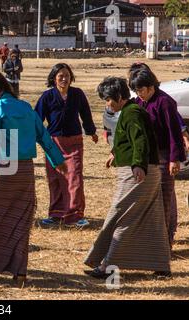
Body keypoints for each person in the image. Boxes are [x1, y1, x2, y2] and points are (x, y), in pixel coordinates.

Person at [0, 71, 66, 287]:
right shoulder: (26, 108)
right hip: (25, 171)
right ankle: (19, 273)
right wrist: (57, 160)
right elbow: (44, 136)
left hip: (2, 169)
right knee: (19, 220)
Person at [85, 77, 171, 279]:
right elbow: (129, 140)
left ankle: (107, 264)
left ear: (118, 96)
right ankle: (160, 265)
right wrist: (115, 153)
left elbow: (140, 140)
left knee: (120, 215)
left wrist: (138, 165)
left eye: (108, 99)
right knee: (152, 219)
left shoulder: (132, 113)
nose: (107, 104)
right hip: (142, 170)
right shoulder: (129, 111)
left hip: (138, 173)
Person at [129, 65, 186, 247]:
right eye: (136, 91)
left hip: (164, 156)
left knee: (164, 200)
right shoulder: (139, 102)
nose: (139, 94)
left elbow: (174, 133)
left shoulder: (165, 102)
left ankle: (164, 243)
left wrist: (174, 159)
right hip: (147, 158)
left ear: (151, 86)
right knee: (149, 200)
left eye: (141, 90)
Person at [35, 63, 98, 227]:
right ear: (54, 78)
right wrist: (34, 135)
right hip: (53, 143)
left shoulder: (77, 94)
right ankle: (56, 214)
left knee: (74, 177)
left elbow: (85, 114)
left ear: (71, 78)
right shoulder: (47, 96)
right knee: (55, 178)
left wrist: (91, 131)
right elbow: (37, 118)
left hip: (74, 142)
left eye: (67, 76)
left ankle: (75, 216)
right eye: (60, 76)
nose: (64, 79)